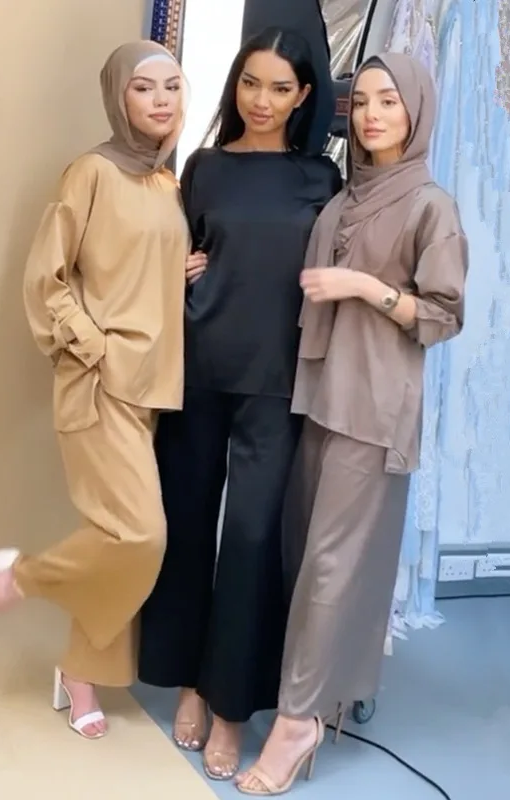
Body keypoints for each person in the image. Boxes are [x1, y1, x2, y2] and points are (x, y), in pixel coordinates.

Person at [236, 52, 469, 795]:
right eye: (361, 101)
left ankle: (297, 722)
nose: (371, 116)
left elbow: (443, 315)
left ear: (416, 111)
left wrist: (366, 287)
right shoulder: (346, 196)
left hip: (373, 406)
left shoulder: (430, 206)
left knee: (331, 568)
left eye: (388, 102)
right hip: (319, 393)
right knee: (307, 555)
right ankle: (327, 692)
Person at [0, 40, 189, 740]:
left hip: (153, 387)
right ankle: (18, 579)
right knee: (140, 536)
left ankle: (80, 672)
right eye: (144, 88)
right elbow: (47, 275)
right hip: (99, 384)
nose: (161, 100)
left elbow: (139, 265)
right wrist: (96, 349)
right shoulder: (92, 171)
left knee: (116, 541)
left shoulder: (165, 182)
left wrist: (184, 269)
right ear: (118, 97)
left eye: (172, 86)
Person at [138, 27, 342, 781]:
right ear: (235, 85)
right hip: (198, 367)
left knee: (252, 540)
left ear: (304, 96)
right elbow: (172, 253)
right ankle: (189, 681)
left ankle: (231, 705)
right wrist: (180, 269)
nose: (262, 100)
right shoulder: (203, 167)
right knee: (188, 525)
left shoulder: (321, 178)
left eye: (280, 88)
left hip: (278, 377)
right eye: (251, 83)